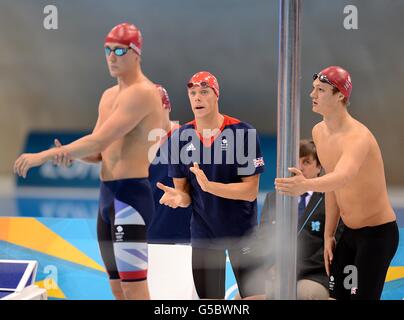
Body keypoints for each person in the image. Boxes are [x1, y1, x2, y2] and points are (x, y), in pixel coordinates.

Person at [14, 22, 164, 300]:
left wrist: (41, 156)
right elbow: (98, 152)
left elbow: (98, 140)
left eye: (119, 50)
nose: (111, 56)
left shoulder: (143, 92)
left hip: (130, 198)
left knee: (134, 285)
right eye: (107, 50)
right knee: (117, 287)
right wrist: (70, 155)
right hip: (106, 197)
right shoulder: (108, 96)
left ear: (136, 53)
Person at [275, 66, 398, 300]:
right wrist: (329, 234)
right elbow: (332, 185)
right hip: (349, 233)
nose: (312, 95)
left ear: (340, 95)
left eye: (320, 90)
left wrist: (306, 185)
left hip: (377, 235)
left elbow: (342, 176)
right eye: (313, 89)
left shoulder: (357, 137)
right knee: (337, 296)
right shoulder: (319, 132)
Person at [157, 71, 266, 299]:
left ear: (216, 96)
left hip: (242, 234)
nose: (197, 98)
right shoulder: (179, 138)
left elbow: (250, 192)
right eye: (193, 93)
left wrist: (210, 187)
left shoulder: (242, 133)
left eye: (204, 92)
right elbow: (184, 193)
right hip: (204, 236)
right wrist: (179, 198)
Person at [260, 139, 344, 300]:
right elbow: (263, 238)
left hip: (314, 274)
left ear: (319, 167)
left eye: (306, 162)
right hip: (277, 272)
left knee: (304, 293)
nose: (298, 167)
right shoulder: (273, 198)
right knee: (246, 297)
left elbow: (334, 245)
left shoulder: (330, 200)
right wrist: (271, 264)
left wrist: (294, 268)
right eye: (294, 162)